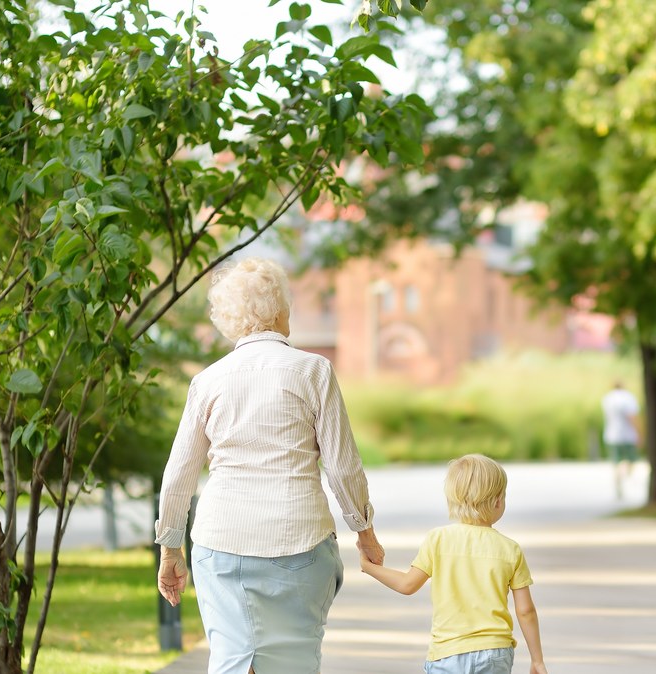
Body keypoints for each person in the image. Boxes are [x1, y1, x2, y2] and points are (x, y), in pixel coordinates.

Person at [154, 257, 384, 674]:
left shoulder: (207, 381)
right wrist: (364, 533)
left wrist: (171, 548)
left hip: (220, 545)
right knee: (294, 663)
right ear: (278, 310)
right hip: (298, 539)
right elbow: (343, 466)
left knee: (232, 661)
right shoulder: (313, 371)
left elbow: (178, 475)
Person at [360, 454, 548, 674]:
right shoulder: (510, 549)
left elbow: (407, 585)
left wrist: (370, 567)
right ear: (498, 501)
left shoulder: (437, 540)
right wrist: (537, 660)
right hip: (494, 651)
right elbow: (525, 611)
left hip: (447, 653)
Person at [601, 381, 642, 499]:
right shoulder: (628, 398)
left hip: (611, 435)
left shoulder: (607, 399)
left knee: (616, 462)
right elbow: (632, 417)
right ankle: (624, 476)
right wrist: (640, 433)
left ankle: (618, 481)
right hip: (627, 435)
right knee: (630, 460)